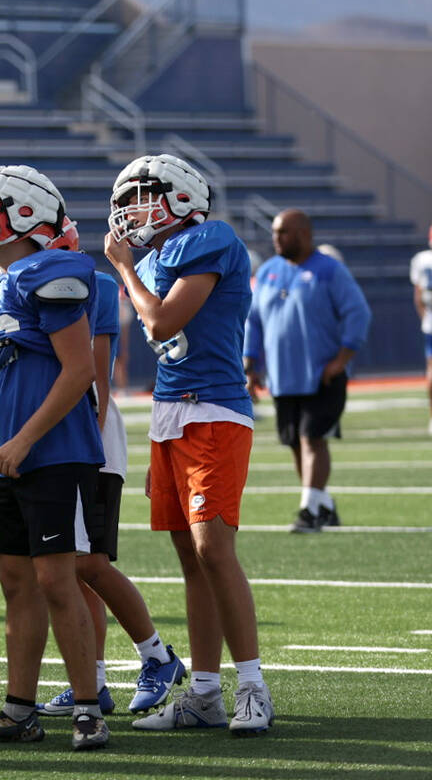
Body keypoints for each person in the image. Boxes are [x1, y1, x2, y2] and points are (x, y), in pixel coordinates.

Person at [103, 153, 274, 735]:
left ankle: (252, 684)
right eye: (124, 200)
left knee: (213, 551)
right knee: (190, 560)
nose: (128, 210)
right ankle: (203, 693)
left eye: (139, 197)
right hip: (169, 411)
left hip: (213, 409)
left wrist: (125, 269)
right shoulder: (155, 258)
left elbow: (162, 324)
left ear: (180, 197)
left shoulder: (211, 239)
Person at [0, 165, 108, 752]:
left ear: (26, 216)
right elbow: (9, 388)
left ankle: (88, 706)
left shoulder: (51, 272)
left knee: (55, 579)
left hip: (58, 451)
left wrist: (27, 440)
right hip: (17, 452)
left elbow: (79, 371)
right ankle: (20, 711)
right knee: (15, 580)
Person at [34, 219, 187, 719]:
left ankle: (156, 654)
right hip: (56, 434)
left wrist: (89, 441)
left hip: (85, 434)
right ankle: (93, 681)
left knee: (88, 563)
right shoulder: (20, 283)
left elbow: (94, 376)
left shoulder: (89, 283)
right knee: (71, 567)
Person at [244, 209, 371, 533]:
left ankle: (308, 511)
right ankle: (322, 504)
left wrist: (341, 359)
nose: (276, 238)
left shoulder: (330, 270)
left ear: (303, 234)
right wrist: (250, 364)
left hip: (321, 374)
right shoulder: (269, 271)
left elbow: (358, 313)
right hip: (282, 377)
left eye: (283, 232)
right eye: (275, 232)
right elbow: (254, 321)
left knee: (312, 438)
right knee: (296, 444)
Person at [409, 226, 432, 435]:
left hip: (431, 322)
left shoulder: (421, 260)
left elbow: (418, 296)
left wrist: (424, 317)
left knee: (431, 369)